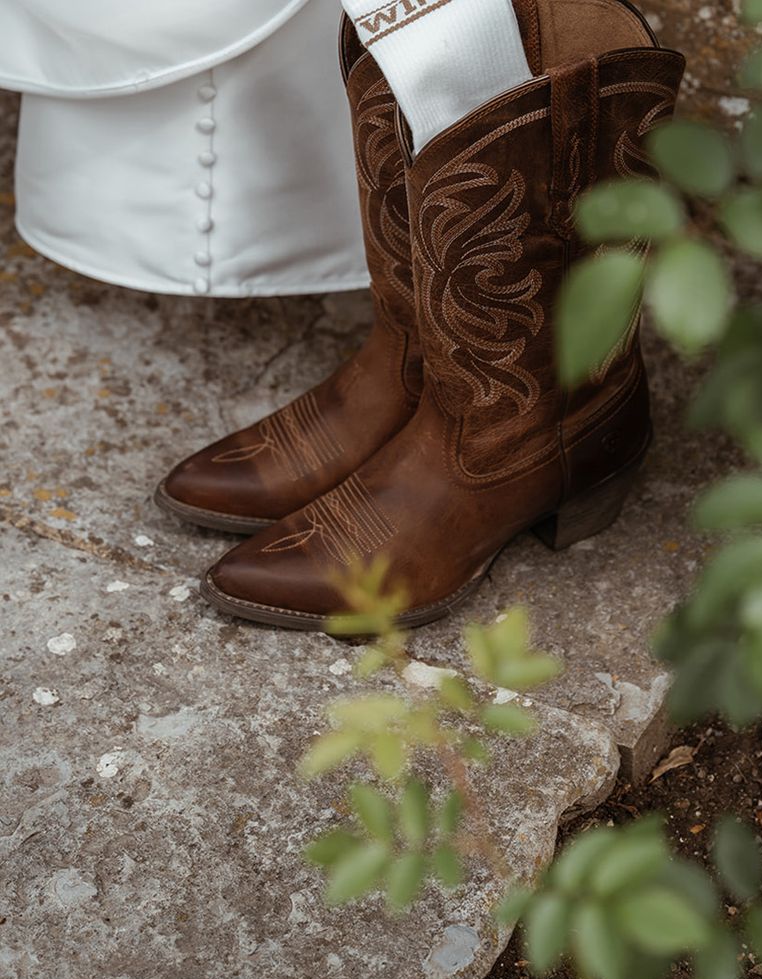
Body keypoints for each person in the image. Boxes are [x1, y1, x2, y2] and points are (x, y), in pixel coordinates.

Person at [3, 0, 685, 633]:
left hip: (511, 422)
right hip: (463, 376)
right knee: (416, 40)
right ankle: (417, 370)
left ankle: (527, 442)